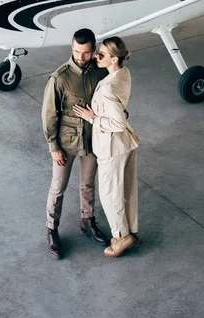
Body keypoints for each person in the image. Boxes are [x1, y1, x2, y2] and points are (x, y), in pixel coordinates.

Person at [42, 28, 110, 259]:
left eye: (86, 53)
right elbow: (49, 115)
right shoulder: (59, 78)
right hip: (66, 141)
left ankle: (87, 221)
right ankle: (51, 229)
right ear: (71, 47)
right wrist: (54, 147)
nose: (80, 57)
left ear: (94, 51)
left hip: (92, 140)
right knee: (58, 187)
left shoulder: (100, 72)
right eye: (77, 52)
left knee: (88, 184)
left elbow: (109, 98)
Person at [73, 36, 140, 258]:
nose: (95, 57)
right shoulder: (124, 73)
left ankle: (121, 237)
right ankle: (132, 232)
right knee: (128, 191)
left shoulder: (108, 88)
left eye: (101, 55)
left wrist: (93, 117)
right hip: (127, 144)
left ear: (113, 59)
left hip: (112, 147)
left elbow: (117, 122)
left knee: (111, 194)